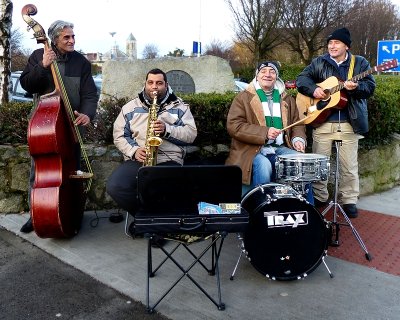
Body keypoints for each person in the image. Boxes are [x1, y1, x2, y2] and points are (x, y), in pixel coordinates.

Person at [19, 20, 99, 233]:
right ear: (54, 39)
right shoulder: (38, 55)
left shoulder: (81, 62)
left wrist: (87, 114)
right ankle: (36, 215)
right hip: (46, 127)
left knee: (73, 170)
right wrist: (42, 66)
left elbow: (90, 94)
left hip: (72, 127)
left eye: (73, 36)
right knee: (40, 171)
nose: (72, 40)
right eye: (67, 37)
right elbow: (27, 84)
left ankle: (72, 212)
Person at [296, 27, 376, 218]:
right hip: (322, 122)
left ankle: (348, 200)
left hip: (350, 122)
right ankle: (320, 197)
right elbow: (301, 79)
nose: (332, 46)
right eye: (330, 43)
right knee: (318, 164)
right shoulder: (320, 62)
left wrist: (355, 88)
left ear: (346, 46)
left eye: (336, 43)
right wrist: (314, 89)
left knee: (349, 166)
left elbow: (370, 87)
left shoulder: (360, 63)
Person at [106, 68, 197, 219]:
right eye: (151, 83)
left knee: (166, 188)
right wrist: (134, 151)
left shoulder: (180, 107)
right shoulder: (129, 108)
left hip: (169, 160)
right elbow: (119, 135)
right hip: (139, 159)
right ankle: (147, 219)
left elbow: (191, 135)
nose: (154, 87)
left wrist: (167, 130)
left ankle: (156, 224)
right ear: (145, 84)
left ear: (166, 85)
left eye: (159, 83)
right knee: (115, 186)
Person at [225, 61, 312, 202]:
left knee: (301, 161)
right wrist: (264, 133)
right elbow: (234, 126)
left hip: (280, 147)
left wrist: (298, 139)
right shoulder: (243, 97)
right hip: (250, 149)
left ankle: (302, 206)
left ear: (276, 76)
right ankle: (261, 206)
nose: (267, 74)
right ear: (257, 75)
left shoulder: (287, 98)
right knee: (263, 165)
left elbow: (298, 124)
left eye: (272, 71)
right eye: (263, 71)